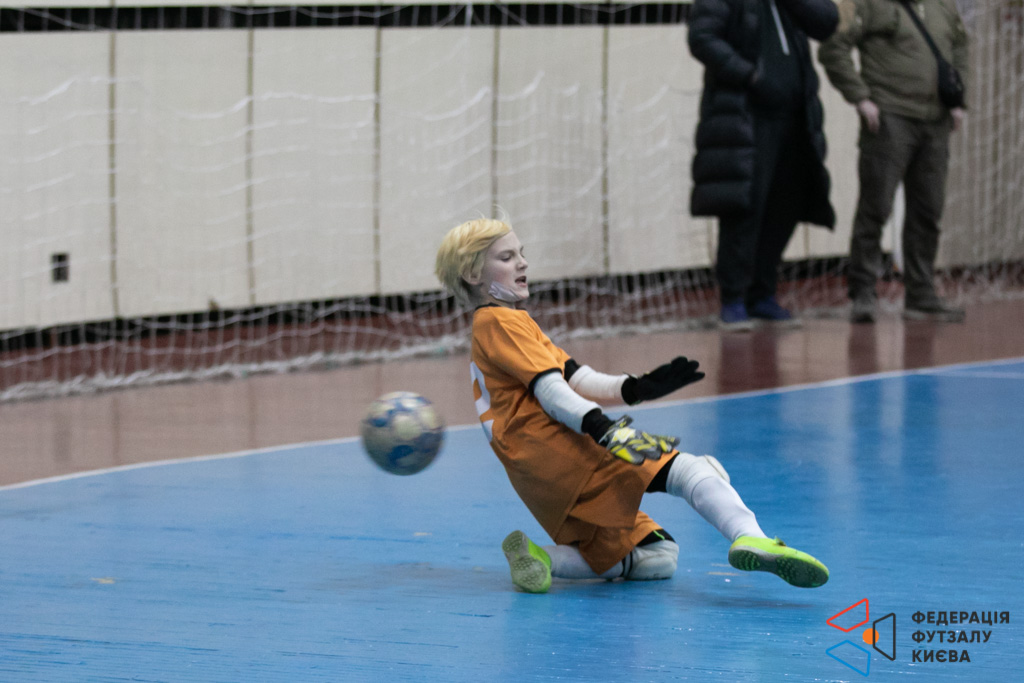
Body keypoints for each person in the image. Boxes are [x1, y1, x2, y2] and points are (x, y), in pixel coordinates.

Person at [434, 218, 829, 593]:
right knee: (692, 470)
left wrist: (636, 387)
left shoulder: (507, 323)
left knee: (658, 556)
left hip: (537, 474)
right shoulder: (499, 322)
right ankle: (751, 537)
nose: (522, 263)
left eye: (522, 253)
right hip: (563, 450)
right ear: (473, 275)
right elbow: (550, 390)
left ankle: (542, 558)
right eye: (506, 257)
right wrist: (603, 428)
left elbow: (575, 376)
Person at [688, 0, 839, 330]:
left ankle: (762, 294)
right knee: (745, 208)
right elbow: (702, 38)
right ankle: (734, 299)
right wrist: (751, 76)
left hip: (795, 116)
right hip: (745, 116)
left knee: (785, 206)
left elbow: (827, 22)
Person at [818, 0, 968, 323]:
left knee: (928, 211)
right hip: (889, 119)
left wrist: (959, 98)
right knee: (876, 209)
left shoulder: (944, 6)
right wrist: (860, 97)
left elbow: (959, 46)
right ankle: (863, 293)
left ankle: (921, 294)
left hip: (936, 122)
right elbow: (833, 48)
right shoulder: (866, 3)